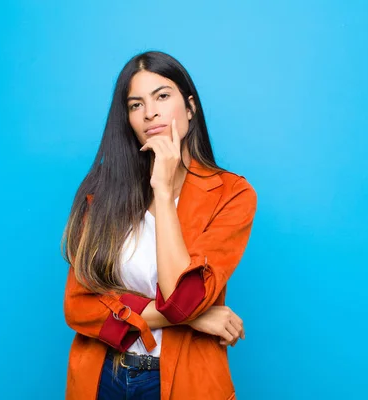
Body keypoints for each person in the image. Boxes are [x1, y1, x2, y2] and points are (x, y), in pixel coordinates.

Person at [61, 50, 257, 400]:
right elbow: (79, 307)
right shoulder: (102, 193)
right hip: (103, 375)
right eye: (136, 105)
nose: (149, 112)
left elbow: (181, 299)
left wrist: (163, 192)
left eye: (162, 96)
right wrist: (194, 318)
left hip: (181, 383)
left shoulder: (231, 194)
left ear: (190, 108)